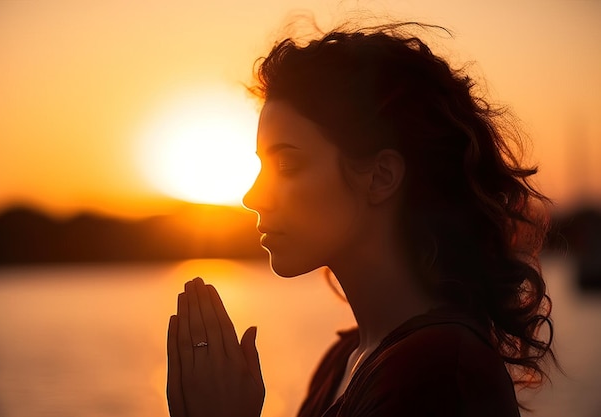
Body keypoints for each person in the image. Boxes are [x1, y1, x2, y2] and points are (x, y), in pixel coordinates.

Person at [166, 21, 556, 417]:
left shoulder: (438, 374)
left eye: (287, 163)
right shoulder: (343, 361)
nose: (253, 196)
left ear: (380, 177)